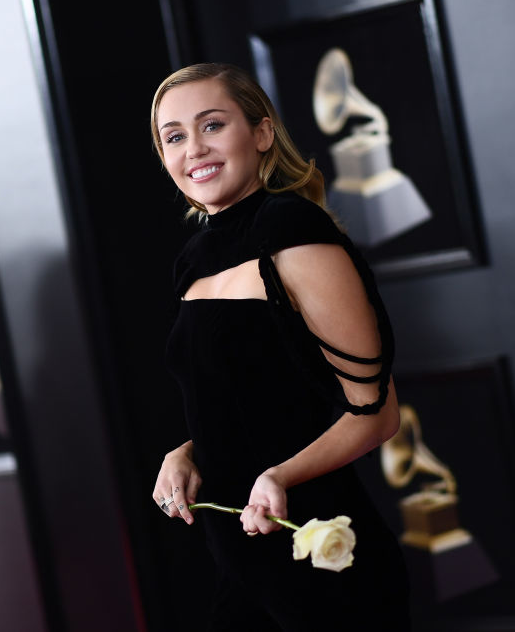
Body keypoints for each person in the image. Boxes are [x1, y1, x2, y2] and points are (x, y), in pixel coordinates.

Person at [150, 62, 411, 630]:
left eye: (212, 125)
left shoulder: (295, 233)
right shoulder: (192, 260)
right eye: (174, 136)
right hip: (241, 567)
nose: (193, 148)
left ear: (261, 133)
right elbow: (262, 401)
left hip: (321, 564)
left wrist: (281, 476)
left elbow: (377, 413)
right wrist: (188, 452)